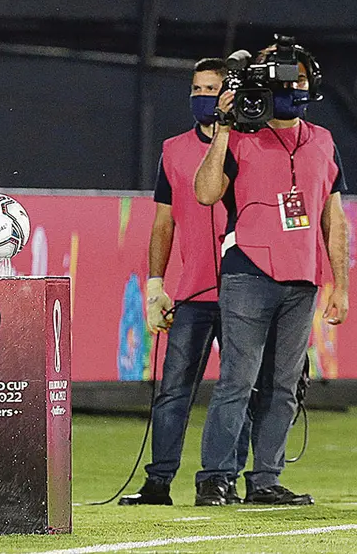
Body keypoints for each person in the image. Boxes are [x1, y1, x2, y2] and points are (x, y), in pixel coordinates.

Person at [193, 41, 348, 506]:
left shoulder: (323, 141)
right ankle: (215, 478)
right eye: (282, 76)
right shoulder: (241, 136)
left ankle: (264, 480)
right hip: (249, 271)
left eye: (298, 77)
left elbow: (334, 218)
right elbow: (205, 193)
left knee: (284, 387)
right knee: (237, 382)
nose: (290, 86)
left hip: (303, 277)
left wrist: (341, 284)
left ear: (311, 83)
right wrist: (223, 127)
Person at [120, 59, 252, 506]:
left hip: (245, 291)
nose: (202, 96)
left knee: (239, 390)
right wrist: (155, 285)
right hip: (193, 292)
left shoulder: (250, 145)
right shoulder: (173, 150)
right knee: (172, 391)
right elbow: (163, 222)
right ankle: (157, 483)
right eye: (197, 88)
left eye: (212, 88)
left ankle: (223, 479)